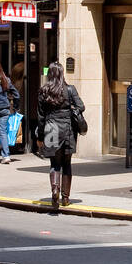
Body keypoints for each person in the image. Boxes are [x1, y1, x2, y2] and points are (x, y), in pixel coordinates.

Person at [38, 60, 83, 209]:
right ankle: (65, 198)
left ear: (49, 75)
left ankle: (55, 190)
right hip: (68, 128)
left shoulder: (44, 90)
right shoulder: (69, 89)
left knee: (54, 163)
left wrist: (39, 138)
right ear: (62, 73)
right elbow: (81, 106)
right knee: (67, 164)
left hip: (51, 128)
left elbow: (40, 117)